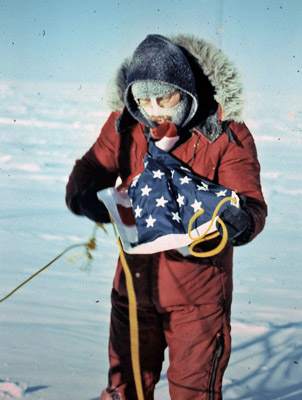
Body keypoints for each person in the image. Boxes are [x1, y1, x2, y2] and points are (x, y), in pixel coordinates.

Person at [66, 34, 267, 400]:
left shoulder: (226, 133)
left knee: (193, 392)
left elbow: (251, 202)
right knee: (124, 388)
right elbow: (92, 166)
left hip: (199, 297)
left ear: (186, 91)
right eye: (143, 99)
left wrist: (242, 222)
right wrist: (85, 196)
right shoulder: (125, 126)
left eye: (165, 98)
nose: (154, 109)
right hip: (133, 289)